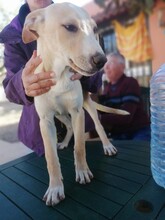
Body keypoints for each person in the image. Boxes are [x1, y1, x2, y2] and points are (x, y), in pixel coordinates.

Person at [0, 0, 103, 156]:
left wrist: (87, 71)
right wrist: (23, 84)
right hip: (39, 135)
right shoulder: (14, 34)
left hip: (81, 127)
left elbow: (96, 81)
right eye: (70, 28)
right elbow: (9, 88)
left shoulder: (79, 17)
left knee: (88, 172)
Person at [96, 52, 150, 141]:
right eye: (105, 64)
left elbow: (126, 116)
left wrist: (99, 118)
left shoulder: (130, 83)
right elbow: (104, 111)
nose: (106, 67)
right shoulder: (107, 88)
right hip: (119, 134)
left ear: (122, 66)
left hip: (138, 131)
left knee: (138, 152)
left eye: (111, 63)